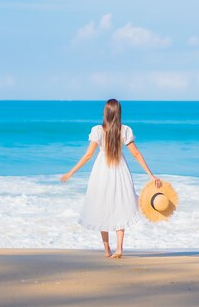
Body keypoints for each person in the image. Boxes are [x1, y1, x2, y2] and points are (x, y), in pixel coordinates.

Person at [60, 98, 162, 258]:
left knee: (102, 206)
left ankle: (107, 250)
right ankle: (119, 248)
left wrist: (71, 172)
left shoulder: (97, 130)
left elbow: (88, 156)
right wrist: (150, 174)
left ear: (105, 113)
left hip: (102, 172)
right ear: (119, 113)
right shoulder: (125, 130)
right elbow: (136, 153)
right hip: (120, 170)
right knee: (120, 205)